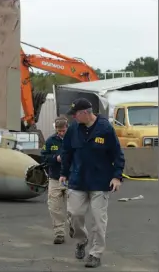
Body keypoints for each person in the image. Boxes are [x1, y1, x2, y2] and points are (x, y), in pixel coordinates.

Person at [59, 98, 125, 268]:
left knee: (98, 220)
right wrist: (64, 174)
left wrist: (117, 176)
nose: (73, 118)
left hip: (100, 181)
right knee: (74, 214)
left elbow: (117, 153)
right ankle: (81, 240)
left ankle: (95, 253)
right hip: (78, 179)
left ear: (86, 113)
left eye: (76, 115)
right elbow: (67, 152)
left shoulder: (105, 129)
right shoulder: (74, 129)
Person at [41, 117, 68, 244]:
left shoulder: (74, 140)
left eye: (63, 130)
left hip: (71, 178)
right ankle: (59, 233)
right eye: (59, 131)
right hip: (55, 178)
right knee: (54, 207)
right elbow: (43, 157)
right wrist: (55, 158)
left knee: (75, 208)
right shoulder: (50, 141)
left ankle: (74, 226)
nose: (61, 133)